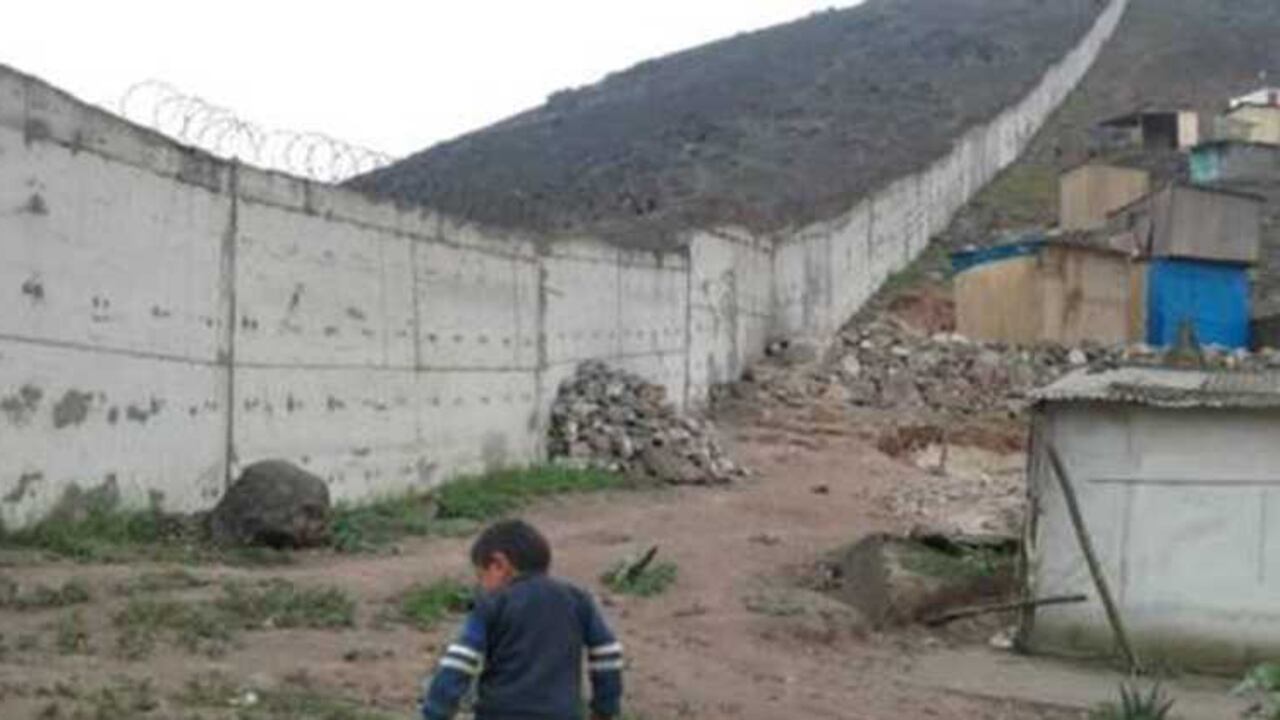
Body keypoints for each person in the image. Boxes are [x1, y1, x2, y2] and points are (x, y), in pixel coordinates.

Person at [420, 519, 624, 720]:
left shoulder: (493, 604)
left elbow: (461, 661)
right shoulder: (577, 599)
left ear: (498, 564)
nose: (482, 586)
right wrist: (605, 707)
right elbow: (607, 652)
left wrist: (436, 711)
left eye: (481, 576)